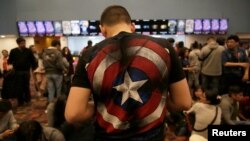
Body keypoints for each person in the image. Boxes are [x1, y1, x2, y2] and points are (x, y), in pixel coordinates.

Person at [65, 5, 192, 140]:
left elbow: (74, 114)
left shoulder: (89, 56)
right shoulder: (164, 48)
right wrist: (155, 99)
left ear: (102, 29)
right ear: (132, 26)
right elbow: (183, 102)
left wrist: (103, 105)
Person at [8, 37, 37, 106]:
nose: (23, 44)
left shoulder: (28, 51)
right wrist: (11, 66)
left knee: (26, 86)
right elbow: (9, 61)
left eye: (24, 43)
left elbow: (33, 60)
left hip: (26, 71)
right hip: (17, 72)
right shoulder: (13, 51)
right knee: (19, 87)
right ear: (18, 44)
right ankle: (20, 101)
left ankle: (27, 99)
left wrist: (33, 68)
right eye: (21, 43)